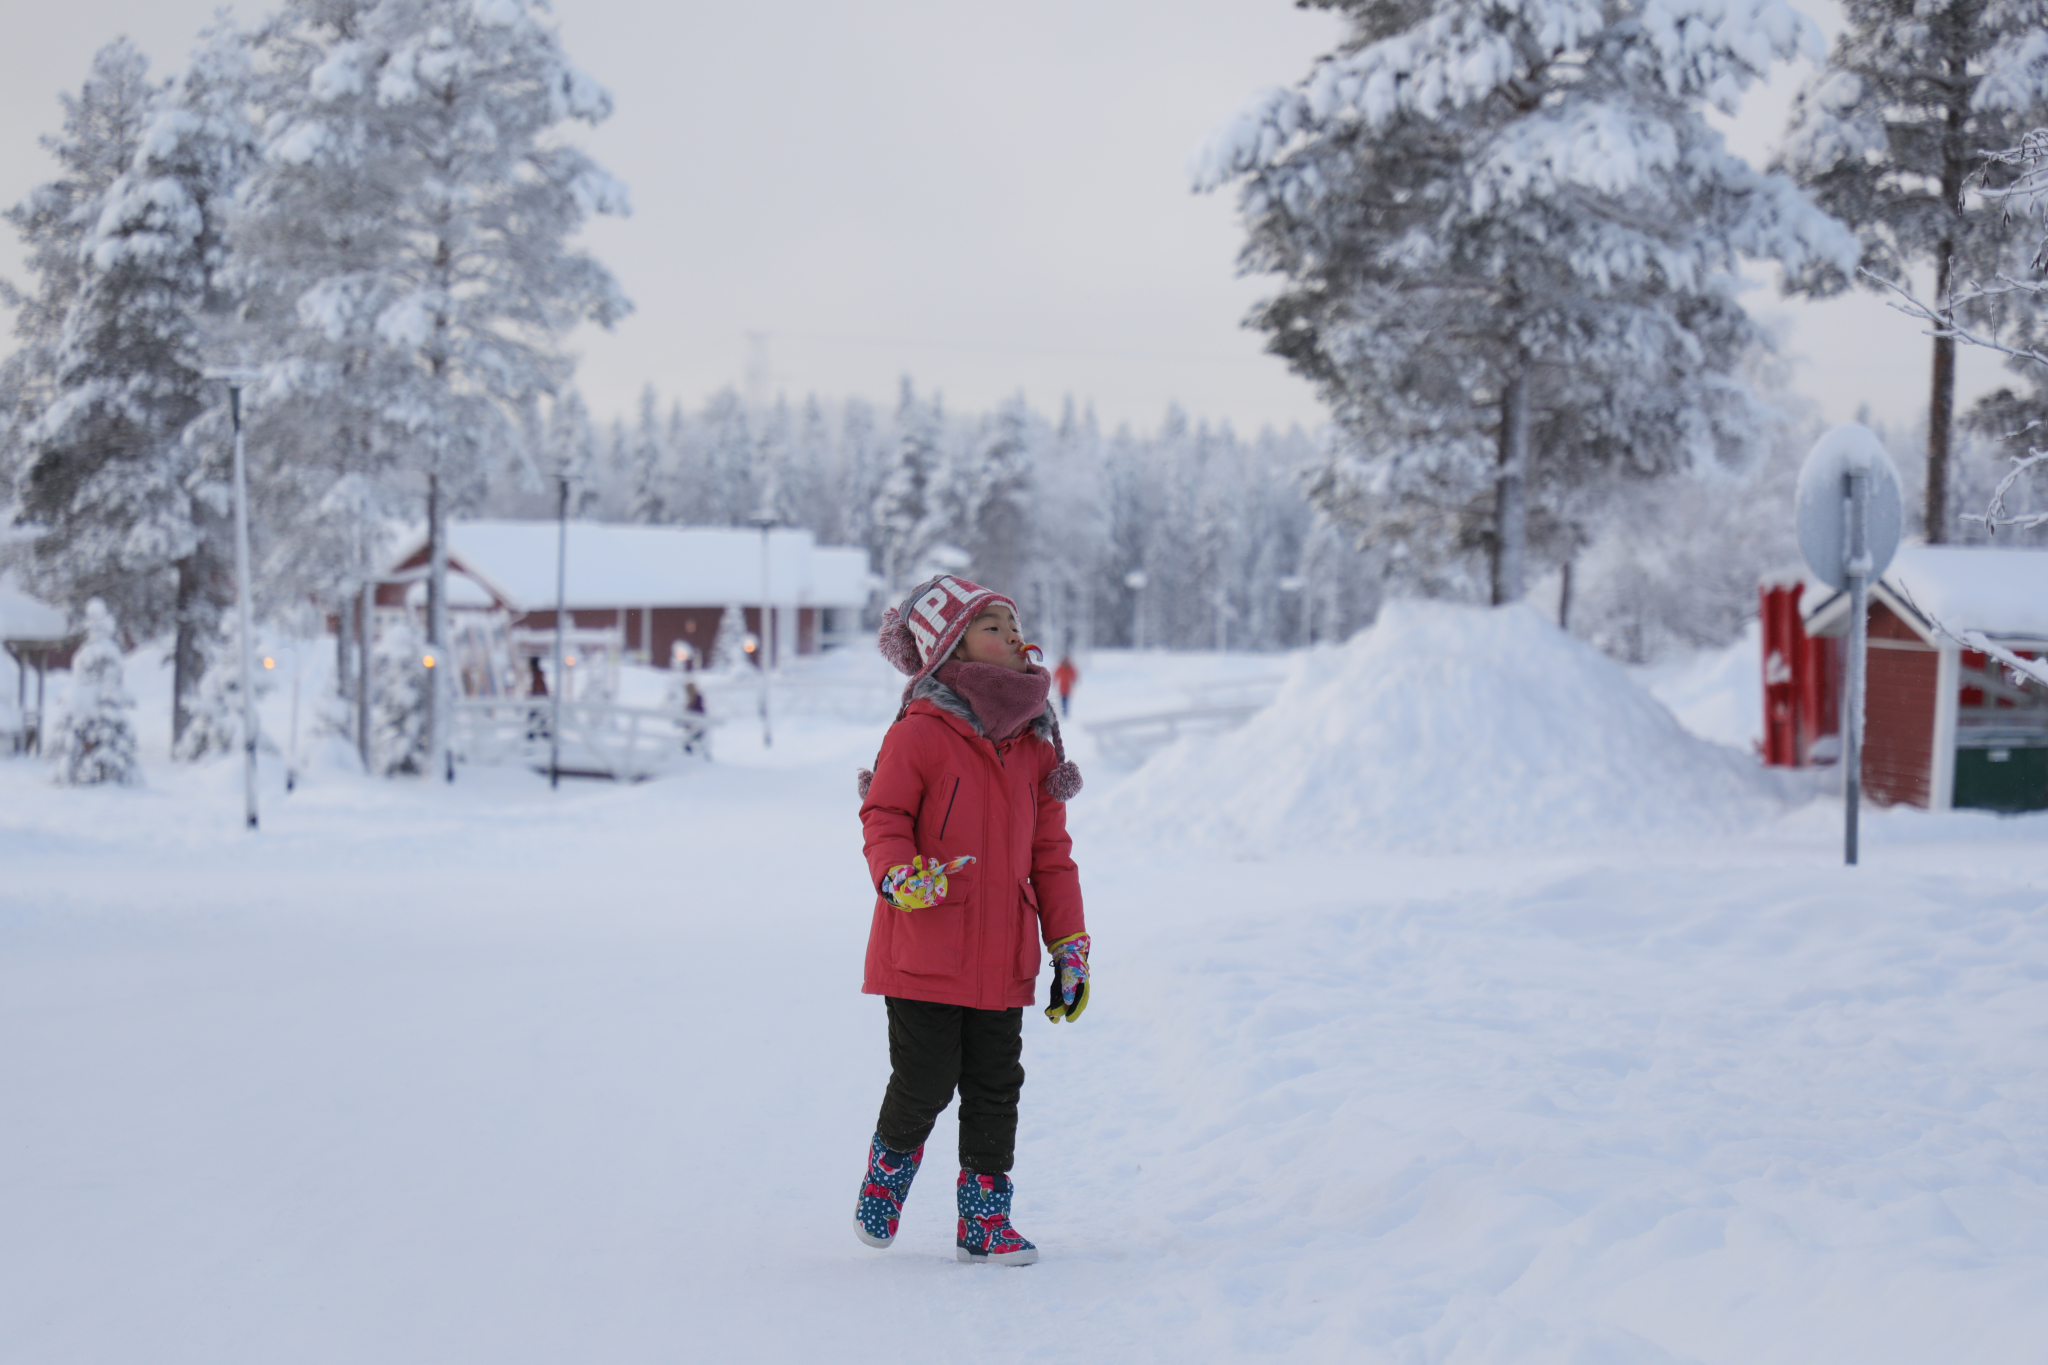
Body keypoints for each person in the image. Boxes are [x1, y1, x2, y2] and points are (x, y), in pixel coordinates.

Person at [851, 574, 1089, 1266]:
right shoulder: (921, 730)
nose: (1013, 635)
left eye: (1015, 625)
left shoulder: (1036, 744)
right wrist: (897, 874)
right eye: (992, 625)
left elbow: (1052, 855)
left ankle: (984, 1220)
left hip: (1002, 953)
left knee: (995, 1085)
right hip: (925, 944)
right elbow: (885, 814)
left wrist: (1069, 945)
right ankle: (887, 1174)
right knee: (925, 1079)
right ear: (952, 644)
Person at [1053, 653, 1078, 717]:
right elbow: (1056, 674)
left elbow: (1074, 675)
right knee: (1062, 701)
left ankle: (1065, 713)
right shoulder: (1060, 668)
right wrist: (1054, 681)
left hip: (1067, 688)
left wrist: (1074, 681)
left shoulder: (1070, 668)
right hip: (1062, 687)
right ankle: (1064, 713)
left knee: (1066, 701)